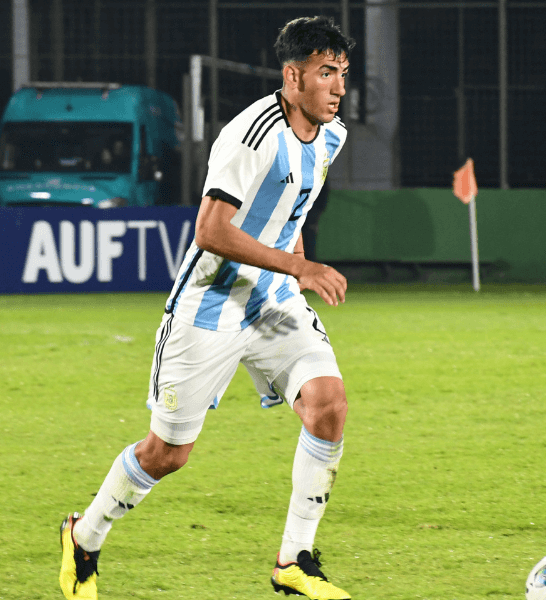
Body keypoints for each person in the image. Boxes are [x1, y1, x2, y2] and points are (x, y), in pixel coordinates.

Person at [60, 16, 356, 600]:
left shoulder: (331, 135)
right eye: (327, 73)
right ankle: (84, 536)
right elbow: (212, 231)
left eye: (343, 73)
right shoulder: (251, 135)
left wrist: (291, 268)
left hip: (271, 298)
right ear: (293, 76)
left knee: (329, 406)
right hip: (211, 304)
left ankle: (294, 561)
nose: (339, 87)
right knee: (169, 453)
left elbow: (289, 210)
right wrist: (301, 266)